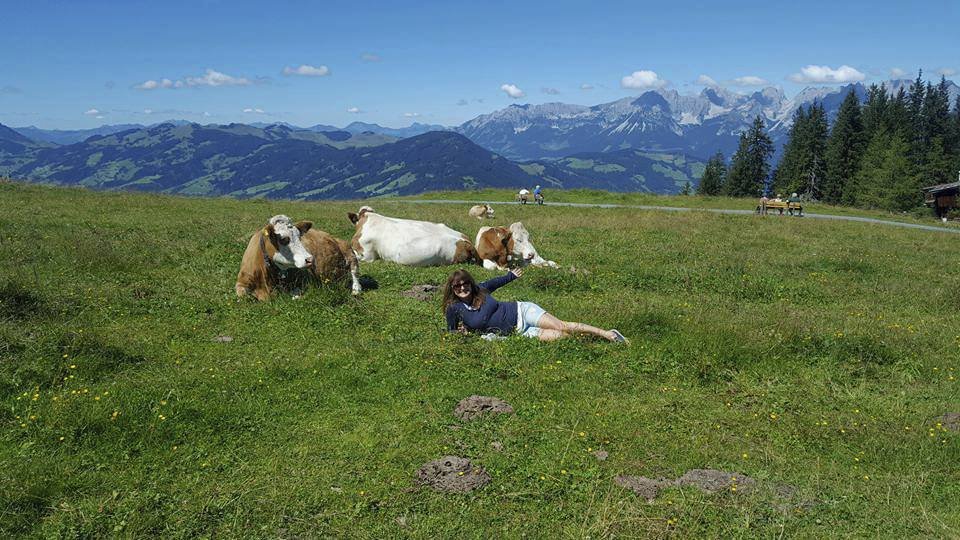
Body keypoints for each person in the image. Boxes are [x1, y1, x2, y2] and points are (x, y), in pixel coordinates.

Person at [442, 268, 628, 343]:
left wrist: (511, 275)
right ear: (452, 288)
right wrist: (464, 334)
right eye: (457, 285)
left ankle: (608, 334)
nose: (462, 287)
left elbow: (497, 281)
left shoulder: (480, 289)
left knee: (561, 325)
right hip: (518, 333)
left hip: (523, 312)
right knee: (560, 336)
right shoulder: (454, 309)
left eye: (465, 283)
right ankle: (589, 342)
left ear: (470, 283)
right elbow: (451, 332)